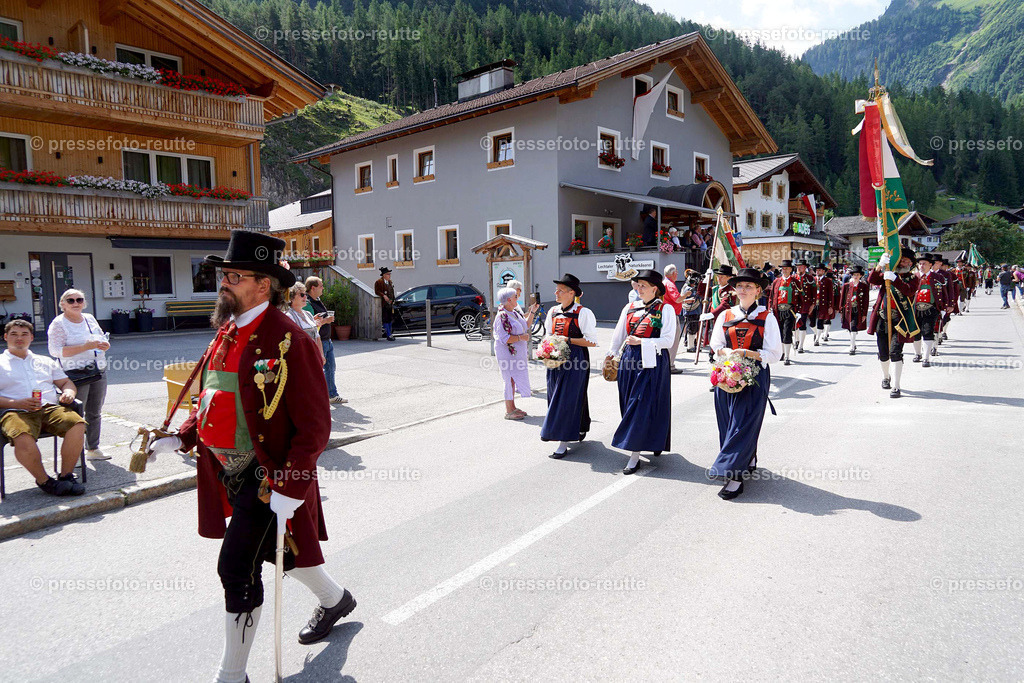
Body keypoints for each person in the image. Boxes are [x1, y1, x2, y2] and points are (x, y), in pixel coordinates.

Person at [145, 230, 354, 683]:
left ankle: (231, 675)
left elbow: (316, 427)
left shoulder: (290, 339)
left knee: (237, 566)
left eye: (234, 276)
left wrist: (291, 488)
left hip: (269, 474)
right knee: (282, 553)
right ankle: (336, 599)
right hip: (226, 469)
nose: (224, 283)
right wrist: (182, 437)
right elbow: (213, 396)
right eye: (224, 274)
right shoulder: (227, 330)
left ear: (264, 285)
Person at [707, 267, 782, 500]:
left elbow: (774, 353)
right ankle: (747, 457)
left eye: (749, 286)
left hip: (754, 377)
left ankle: (734, 476)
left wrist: (748, 353)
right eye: (739, 285)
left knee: (743, 423)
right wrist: (727, 353)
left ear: (758, 290)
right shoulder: (725, 315)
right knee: (728, 421)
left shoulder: (766, 317)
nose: (743, 289)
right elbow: (715, 344)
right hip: (727, 373)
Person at [0, 319, 87, 496]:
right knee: (21, 435)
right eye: (14, 334)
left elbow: (65, 382)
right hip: (15, 411)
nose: (19, 338)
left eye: (24, 334)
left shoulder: (44, 361)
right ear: (5, 337)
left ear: (31, 337)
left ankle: (66, 477)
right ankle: (45, 482)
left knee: (77, 423)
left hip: (49, 408)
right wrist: (17, 403)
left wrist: (69, 392)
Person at [606, 269, 676, 474]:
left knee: (642, 404)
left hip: (652, 361)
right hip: (629, 360)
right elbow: (619, 334)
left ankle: (634, 454)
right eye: (638, 285)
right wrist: (611, 354)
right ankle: (650, 441)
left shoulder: (666, 309)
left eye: (643, 285)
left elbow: (668, 341)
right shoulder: (629, 307)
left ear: (655, 288)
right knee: (629, 401)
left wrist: (642, 342)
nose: (639, 288)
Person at [47, 288, 111, 460]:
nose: (76, 303)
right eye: (70, 300)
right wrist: (85, 347)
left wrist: (104, 344)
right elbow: (55, 351)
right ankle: (73, 455)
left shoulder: (89, 318)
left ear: (84, 302)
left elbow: (100, 338)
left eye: (79, 300)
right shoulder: (58, 323)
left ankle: (93, 448)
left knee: (95, 411)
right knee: (75, 415)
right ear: (62, 304)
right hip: (74, 374)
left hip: (97, 369)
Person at [541, 274, 598, 458]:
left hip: (576, 358)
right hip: (555, 359)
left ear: (571, 293)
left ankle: (562, 441)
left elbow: (591, 342)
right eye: (556, 289)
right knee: (555, 394)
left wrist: (568, 339)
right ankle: (581, 426)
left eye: (560, 290)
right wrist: (546, 347)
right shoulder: (553, 311)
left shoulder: (583, 313)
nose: (555, 292)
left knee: (567, 397)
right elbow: (549, 333)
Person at [867, 250, 920, 399]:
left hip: (900, 321)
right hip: (883, 319)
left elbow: (909, 291)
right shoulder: (888, 274)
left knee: (895, 352)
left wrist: (895, 279)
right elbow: (872, 280)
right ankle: (886, 377)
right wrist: (880, 265)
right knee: (883, 353)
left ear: (911, 263)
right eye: (900, 260)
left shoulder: (912, 278)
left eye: (905, 261)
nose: (902, 263)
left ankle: (896, 386)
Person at [493, 286, 538, 419]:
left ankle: (512, 407)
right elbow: (504, 338)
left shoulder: (514, 312)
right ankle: (508, 411)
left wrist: (533, 312)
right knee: (508, 379)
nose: (517, 298)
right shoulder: (501, 316)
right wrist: (520, 338)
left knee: (513, 379)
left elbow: (525, 325)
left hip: (516, 353)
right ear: (508, 300)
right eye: (515, 297)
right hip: (506, 353)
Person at [302, 277, 345, 405]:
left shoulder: (317, 300)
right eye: (321, 286)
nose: (323, 288)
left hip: (327, 339)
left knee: (330, 368)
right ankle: (316, 397)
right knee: (317, 370)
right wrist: (326, 321)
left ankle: (331, 395)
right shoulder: (308, 304)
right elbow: (309, 325)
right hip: (319, 341)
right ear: (313, 288)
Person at [911, 253, 946, 368]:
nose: (921, 266)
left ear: (930, 265)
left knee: (928, 332)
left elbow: (944, 292)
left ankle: (926, 358)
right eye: (920, 264)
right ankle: (917, 354)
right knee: (915, 333)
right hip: (915, 309)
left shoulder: (938, 277)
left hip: (931, 308)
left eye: (924, 264)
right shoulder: (913, 277)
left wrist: (945, 306)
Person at [767, 260, 801, 365]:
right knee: (780, 333)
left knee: (787, 333)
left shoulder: (795, 282)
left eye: (786, 268)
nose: (784, 270)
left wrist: (799, 311)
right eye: (783, 268)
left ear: (791, 269)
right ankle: (781, 353)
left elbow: (801, 297)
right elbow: (771, 296)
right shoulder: (776, 281)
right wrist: (770, 308)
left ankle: (787, 356)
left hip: (790, 311)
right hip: (778, 311)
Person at [284, 282, 326, 365]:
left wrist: (321, 355)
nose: (305, 297)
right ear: (291, 298)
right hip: (301, 360)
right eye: (302, 295)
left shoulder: (308, 314)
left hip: (314, 357)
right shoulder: (289, 316)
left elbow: (317, 337)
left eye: (305, 294)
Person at [839, 266, 869, 355]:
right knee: (849, 328)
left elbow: (866, 300)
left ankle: (852, 347)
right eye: (854, 275)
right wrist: (841, 309)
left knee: (853, 327)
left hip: (858, 310)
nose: (855, 276)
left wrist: (864, 314)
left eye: (857, 275)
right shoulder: (847, 285)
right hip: (848, 310)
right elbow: (842, 298)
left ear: (860, 276)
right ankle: (853, 342)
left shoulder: (864, 286)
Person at [662, 264, 684, 373]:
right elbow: (678, 299)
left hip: (667, 314)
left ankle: (667, 364)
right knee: (674, 340)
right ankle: (670, 365)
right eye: (677, 272)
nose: (677, 274)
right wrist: (686, 295)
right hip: (672, 315)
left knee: (669, 339)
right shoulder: (670, 284)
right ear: (673, 273)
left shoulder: (664, 282)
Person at [810, 264, 837, 346]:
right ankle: (816, 332)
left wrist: (830, 306)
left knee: (820, 321)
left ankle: (817, 339)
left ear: (823, 271)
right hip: (813, 304)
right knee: (812, 323)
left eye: (820, 270)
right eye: (817, 270)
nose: (818, 272)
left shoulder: (828, 281)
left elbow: (830, 295)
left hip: (823, 304)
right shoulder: (812, 280)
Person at [794, 260, 816, 353]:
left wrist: (813, 304)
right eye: (798, 266)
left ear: (805, 267)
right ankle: (797, 340)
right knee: (794, 325)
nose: (799, 268)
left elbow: (814, 292)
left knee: (802, 324)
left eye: (801, 266)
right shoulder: (793, 278)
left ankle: (801, 346)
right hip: (794, 305)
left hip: (805, 304)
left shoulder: (810, 278)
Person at [375, 266, 396, 341]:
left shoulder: (390, 282)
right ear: (384, 275)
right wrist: (383, 296)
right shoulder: (379, 282)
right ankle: (388, 334)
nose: (389, 275)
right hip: (384, 304)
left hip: (390, 304)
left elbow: (392, 292)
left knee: (390, 319)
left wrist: (393, 300)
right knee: (385, 319)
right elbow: (377, 291)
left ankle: (389, 333)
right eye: (388, 274)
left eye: (390, 274)